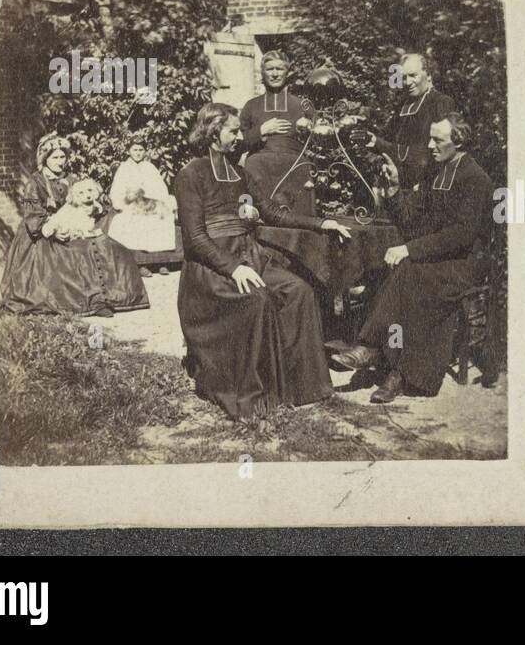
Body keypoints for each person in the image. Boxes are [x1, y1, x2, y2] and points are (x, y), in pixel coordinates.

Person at [174, 102, 353, 421]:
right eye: (233, 130)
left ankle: (306, 388)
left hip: (249, 255)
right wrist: (232, 267)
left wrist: (320, 223)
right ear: (214, 134)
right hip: (211, 270)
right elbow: (195, 238)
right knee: (256, 301)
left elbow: (270, 212)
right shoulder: (191, 173)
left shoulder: (239, 173)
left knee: (299, 291)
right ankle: (258, 395)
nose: (240, 136)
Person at [329, 113, 493, 404]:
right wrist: (392, 191)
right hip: (435, 260)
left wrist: (410, 250)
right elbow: (413, 227)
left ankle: (377, 354)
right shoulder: (436, 173)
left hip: (464, 264)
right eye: (430, 138)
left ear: (459, 142)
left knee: (410, 272)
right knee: (400, 272)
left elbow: (461, 236)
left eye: (437, 140)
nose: (429, 145)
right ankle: (394, 369)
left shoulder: (475, 179)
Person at [0, 133, 150, 317]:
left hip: (75, 225)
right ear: (45, 159)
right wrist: (54, 232)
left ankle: (114, 297)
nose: (60, 162)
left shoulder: (71, 179)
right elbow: (33, 216)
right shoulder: (35, 182)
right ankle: (93, 300)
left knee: (112, 247)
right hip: (42, 235)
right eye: (55, 157)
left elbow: (85, 201)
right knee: (76, 254)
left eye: (63, 157)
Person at [238, 50, 318, 215]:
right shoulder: (251, 106)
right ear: (262, 72)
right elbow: (241, 144)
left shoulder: (303, 105)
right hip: (260, 163)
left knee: (304, 168)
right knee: (252, 164)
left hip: (294, 162)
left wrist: (309, 128)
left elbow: (318, 141)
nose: (274, 74)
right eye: (269, 69)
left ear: (287, 73)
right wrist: (262, 130)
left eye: (279, 69)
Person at [368, 53, 456, 192]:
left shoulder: (440, 103)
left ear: (428, 74)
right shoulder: (403, 106)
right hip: (397, 185)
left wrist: (381, 145)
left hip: (424, 187)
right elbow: (387, 139)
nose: (407, 82)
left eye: (413, 75)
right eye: (404, 78)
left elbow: (437, 153)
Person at [107, 137, 177, 275]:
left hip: (150, 204)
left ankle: (161, 261)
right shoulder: (124, 168)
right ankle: (141, 263)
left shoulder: (150, 167)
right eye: (135, 150)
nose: (138, 153)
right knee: (136, 221)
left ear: (145, 151)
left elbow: (160, 188)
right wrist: (125, 202)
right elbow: (117, 190)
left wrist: (157, 201)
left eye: (141, 150)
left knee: (162, 218)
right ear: (129, 151)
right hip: (131, 205)